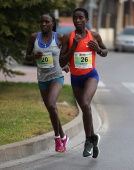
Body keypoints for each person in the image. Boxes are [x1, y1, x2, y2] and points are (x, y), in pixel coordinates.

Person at [59, 8, 108, 158]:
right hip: (76, 78)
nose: (78, 20)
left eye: (81, 18)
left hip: (91, 76)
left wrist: (99, 49)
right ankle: (94, 137)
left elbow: (105, 51)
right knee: (86, 110)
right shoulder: (68, 37)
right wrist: (73, 46)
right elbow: (61, 61)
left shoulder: (94, 36)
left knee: (86, 104)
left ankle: (88, 140)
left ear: (86, 20)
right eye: (75, 18)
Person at [25, 13, 69, 153]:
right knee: (51, 110)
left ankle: (57, 138)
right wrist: (34, 57)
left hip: (56, 77)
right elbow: (26, 57)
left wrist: (65, 64)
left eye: (47, 22)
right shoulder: (34, 37)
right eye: (41, 21)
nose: (44, 24)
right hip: (42, 79)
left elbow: (65, 55)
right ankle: (63, 136)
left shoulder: (60, 38)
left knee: (51, 104)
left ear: (53, 23)